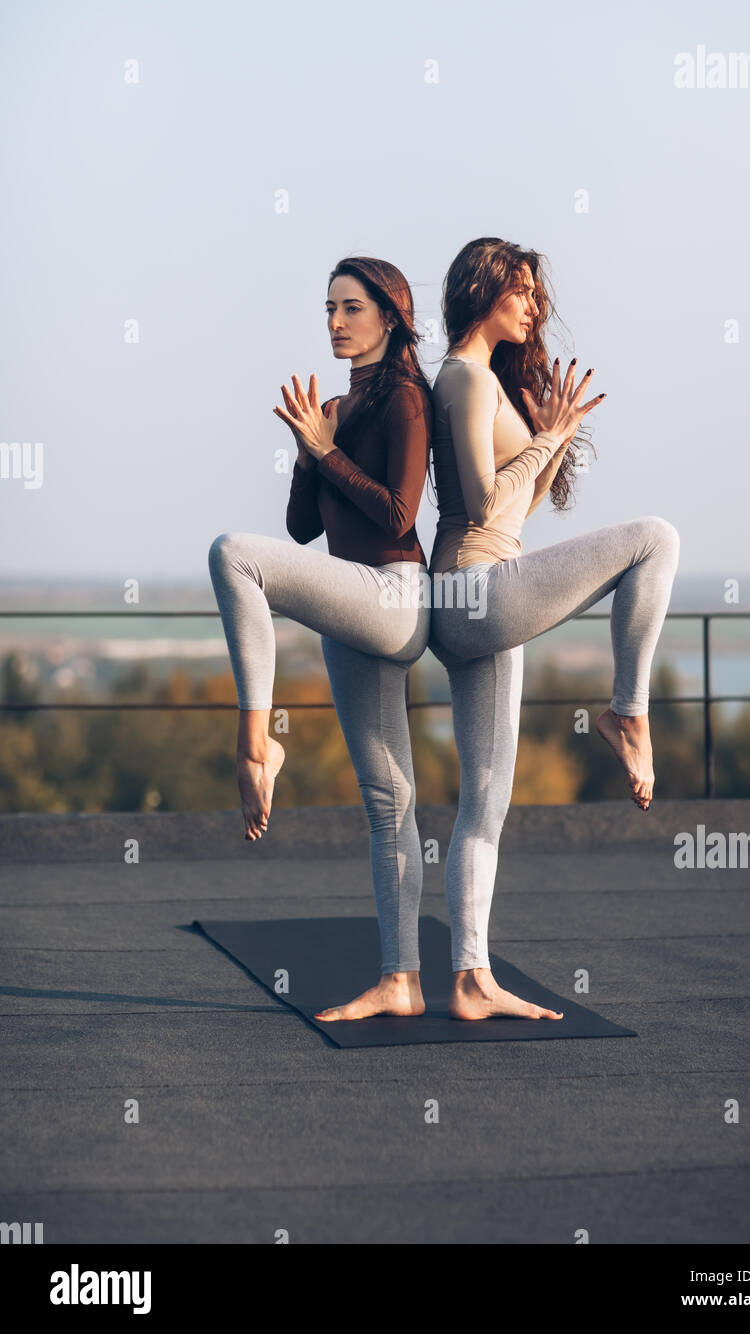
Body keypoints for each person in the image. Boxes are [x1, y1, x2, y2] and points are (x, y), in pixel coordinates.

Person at [428, 236, 681, 1021]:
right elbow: (472, 504)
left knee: (486, 804)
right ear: (485, 289)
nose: (536, 306)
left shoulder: (491, 383)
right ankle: (627, 712)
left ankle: (471, 978)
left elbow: (512, 513)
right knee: (655, 538)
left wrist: (553, 442)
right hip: (474, 586)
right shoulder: (464, 377)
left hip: (485, 590)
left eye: (537, 294)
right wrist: (545, 439)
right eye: (524, 291)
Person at [208, 256, 432, 1021]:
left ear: (390, 318)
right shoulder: (337, 406)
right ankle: (400, 979)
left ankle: (257, 743)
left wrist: (326, 450)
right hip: (352, 603)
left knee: (233, 554)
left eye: (351, 308)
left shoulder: (405, 398)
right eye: (328, 309)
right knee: (388, 801)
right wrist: (312, 448)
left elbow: (400, 515)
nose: (335, 322)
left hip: (395, 596)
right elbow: (303, 527)